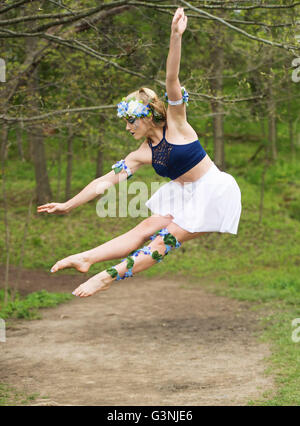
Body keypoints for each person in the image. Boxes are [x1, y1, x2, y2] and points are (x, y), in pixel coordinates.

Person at [37, 7, 241, 298]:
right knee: (146, 226)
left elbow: (172, 78)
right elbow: (103, 182)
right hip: (186, 192)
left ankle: (107, 277)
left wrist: (175, 37)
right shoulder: (142, 154)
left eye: (130, 120)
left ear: (146, 116)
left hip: (213, 191)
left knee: (162, 240)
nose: (127, 127)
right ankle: (87, 258)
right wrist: (68, 205)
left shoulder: (178, 125)